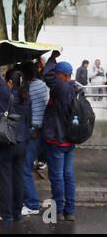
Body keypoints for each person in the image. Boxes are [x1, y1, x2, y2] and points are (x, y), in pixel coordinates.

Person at [0, 46, 31, 222]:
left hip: (5, 141)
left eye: (7, 81)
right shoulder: (25, 97)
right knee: (18, 178)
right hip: (21, 143)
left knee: (5, 180)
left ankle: (6, 214)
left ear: (11, 83)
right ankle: (17, 212)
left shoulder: (7, 93)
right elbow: (29, 121)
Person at [42, 51, 77, 221]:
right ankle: (70, 211)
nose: (54, 77)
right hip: (70, 140)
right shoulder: (76, 88)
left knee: (57, 176)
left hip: (57, 139)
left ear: (62, 75)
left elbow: (47, 74)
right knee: (68, 175)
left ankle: (58, 210)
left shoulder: (61, 87)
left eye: (57, 74)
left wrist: (52, 57)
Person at [20, 62, 49, 216]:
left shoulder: (27, 89)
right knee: (27, 165)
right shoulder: (43, 85)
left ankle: (31, 204)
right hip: (42, 130)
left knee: (25, 167)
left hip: (32, 132)